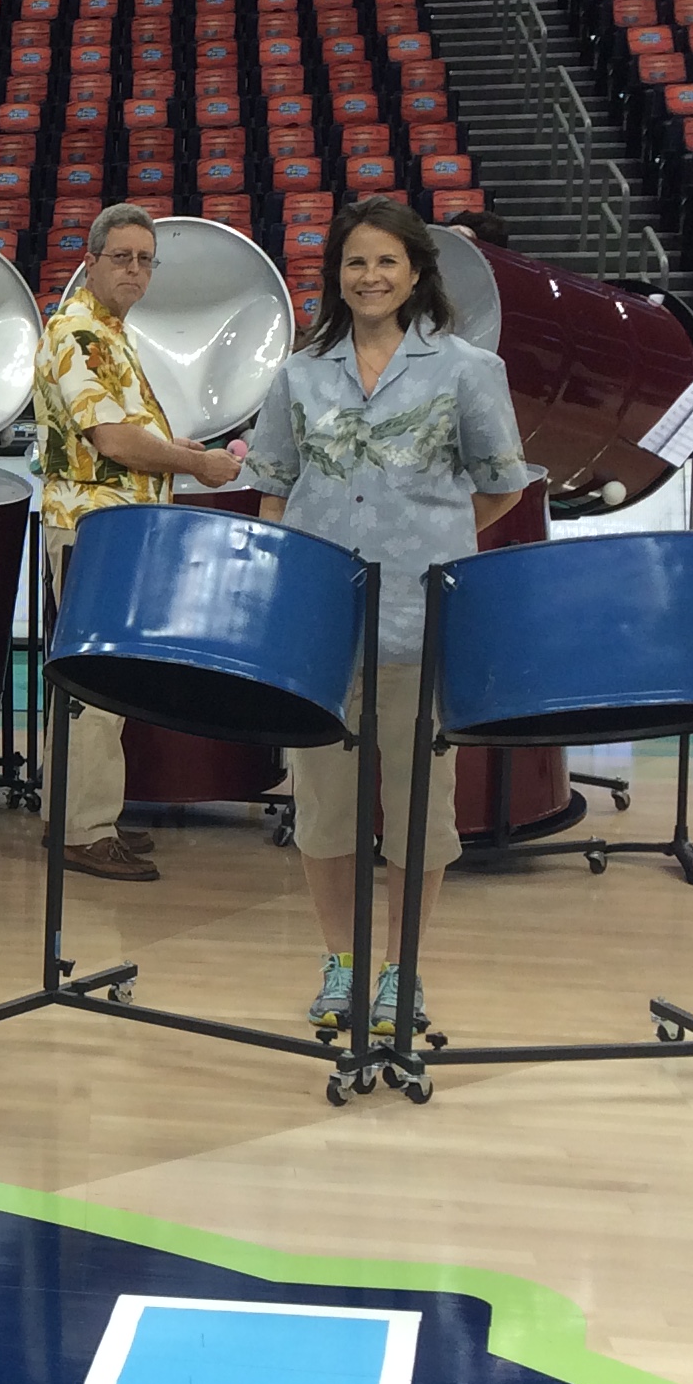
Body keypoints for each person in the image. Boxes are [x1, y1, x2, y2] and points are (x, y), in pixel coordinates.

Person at [244, 199, 538, 1035]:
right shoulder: (299, 373)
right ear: (336, 276)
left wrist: (432, 538)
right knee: (325, 809)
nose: (370, 278)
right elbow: (273, 485)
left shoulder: (468, 369)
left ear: (415, 274)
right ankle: (340, 959)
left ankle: (401, 971)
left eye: (385, 263)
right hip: (320, 630)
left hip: (418, 620)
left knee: (419, 812)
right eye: (354, 264)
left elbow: (503, 483)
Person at [34, 204, 245, 884]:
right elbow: (114, 442)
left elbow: (127, 435)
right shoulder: (80, 334)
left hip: (115, 523)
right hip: (96, 525)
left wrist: (173, 448)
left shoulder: (109, 333)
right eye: (121, 256)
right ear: (89, 261)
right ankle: (80, 831)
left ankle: (81, 814)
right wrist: (196, 465)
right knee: (96, 685)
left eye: (145, 258)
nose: (134, 269)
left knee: (102, 682)